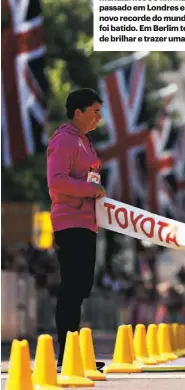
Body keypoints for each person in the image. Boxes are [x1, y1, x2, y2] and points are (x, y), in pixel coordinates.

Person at [47, 88, 107, 370]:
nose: (99, 117)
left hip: (87, 222)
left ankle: (74, 353)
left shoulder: (86, 142)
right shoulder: (64, 141)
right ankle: (65, 355)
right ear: (78, 112)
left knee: (82, 287)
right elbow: (56, 181)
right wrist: (90, 189)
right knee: (72, 287)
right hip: (69, 221)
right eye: (95, 111)